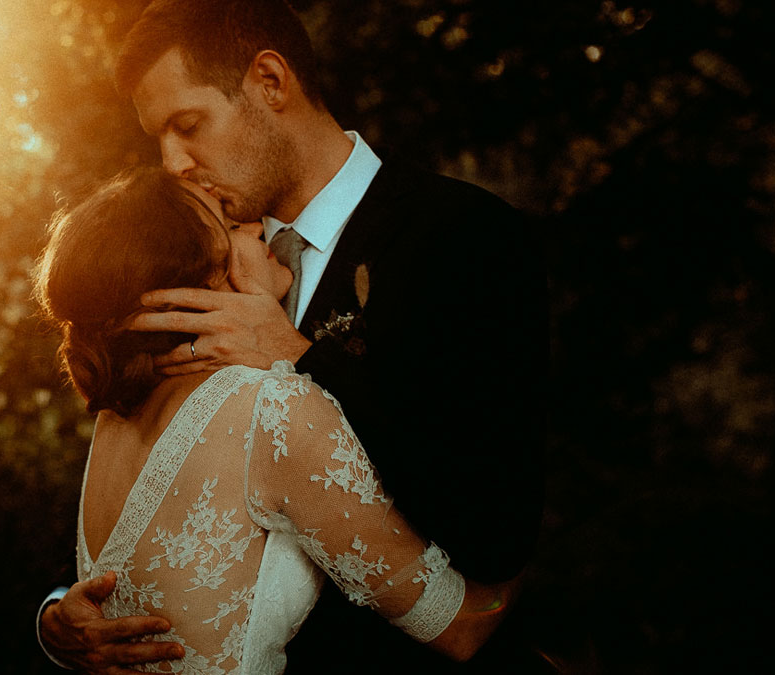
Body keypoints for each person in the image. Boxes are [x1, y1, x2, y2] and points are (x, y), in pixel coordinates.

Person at [38, 0, 548, 672]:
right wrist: (56, 614)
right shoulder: (205, 271)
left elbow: (496, 513)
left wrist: (302, 360)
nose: (174, 162)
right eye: (158, 139)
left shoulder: (465, 237)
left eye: (187, 125)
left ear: (271, 81)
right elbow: (152, 500)